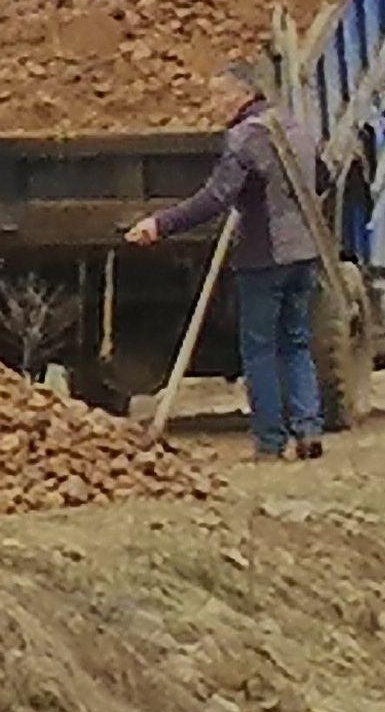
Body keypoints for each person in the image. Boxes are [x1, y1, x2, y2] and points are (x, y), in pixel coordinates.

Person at [128, 64, 327, 460]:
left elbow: (215, 198)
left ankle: (270, 441)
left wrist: (160, 224)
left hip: (263, 258)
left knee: (259, 349)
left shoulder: (243, 139)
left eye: (219, 95)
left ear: (242, 94)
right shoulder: (297, 128)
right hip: (305, 252)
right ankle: (308, 430)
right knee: (296, 342)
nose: (213, 104)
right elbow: (324, 178)